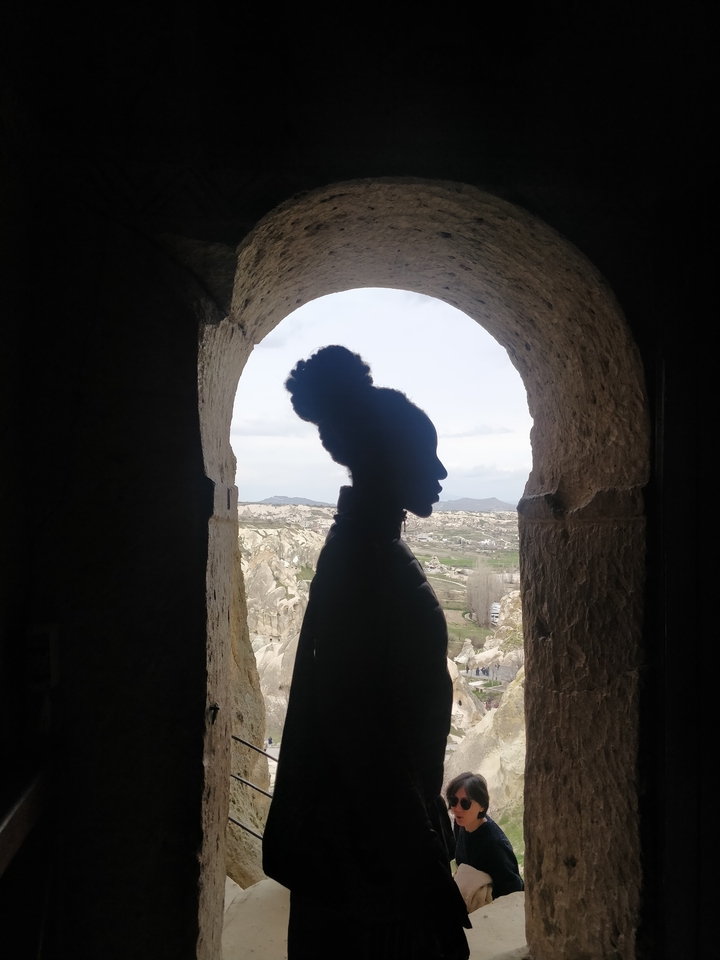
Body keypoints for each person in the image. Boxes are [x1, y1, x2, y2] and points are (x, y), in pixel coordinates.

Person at [263, 346, 470, 960]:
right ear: (389, 459)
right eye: (425, 452)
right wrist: (421, 868)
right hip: (370, 865)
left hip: (360, 856)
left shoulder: (360, 553)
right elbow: (365, 740)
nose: (440, 470)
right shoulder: (371, 564)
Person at [445, 772, 524, 900]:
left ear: (482, 806)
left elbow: (513, 887)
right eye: (453, 801)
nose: (457, 809)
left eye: (465, 803)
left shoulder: (493, 844)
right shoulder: (461, 824)